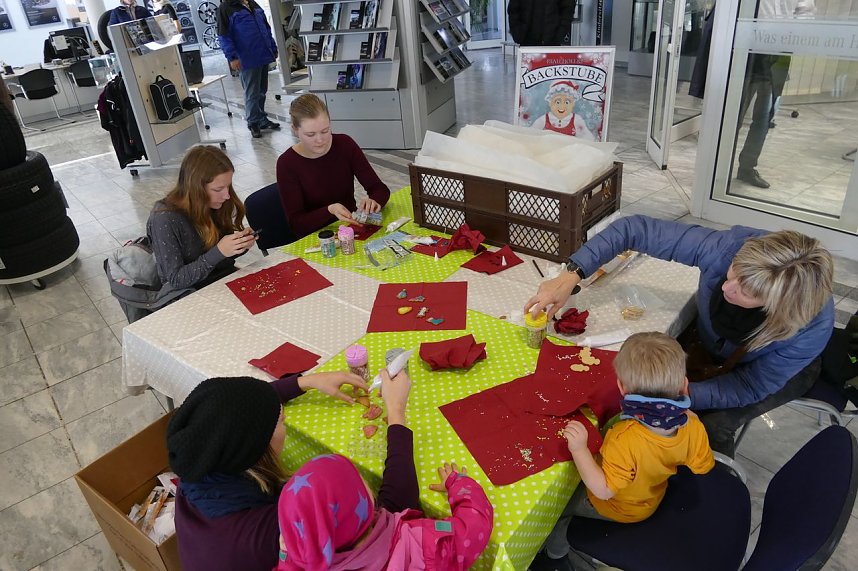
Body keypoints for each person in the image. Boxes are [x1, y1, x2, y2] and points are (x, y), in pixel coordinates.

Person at [524, 215, 834, 457]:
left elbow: (750, 385)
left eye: (746, 291)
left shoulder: (808, 328)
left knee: (711, 428)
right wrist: (571, 274)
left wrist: (680, 395)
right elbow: (634, 230)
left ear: (778, 307)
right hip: (712, 348)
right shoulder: (726, 248)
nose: (727, 287)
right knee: (638, 375)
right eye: (734, 271)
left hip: (770, 375)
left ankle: (702, 492)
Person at [276, 372, 494, 570]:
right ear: (369, 501)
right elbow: (474, 527)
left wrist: (289, 555)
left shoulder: (305, 559)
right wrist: (460, 483)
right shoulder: (421, 547)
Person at [539, 332, 714, 567]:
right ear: (684, 385)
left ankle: (554, 556)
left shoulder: (623, 438)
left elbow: (603, 490)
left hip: (620, 508)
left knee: (559, 504)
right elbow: (702, 467)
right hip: (651, 496)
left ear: (621, 388)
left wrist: (579, 450)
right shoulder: (693, 424)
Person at [166, 371, 371, 571]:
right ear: (260, 447)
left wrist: (306, 382)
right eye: (281, 420)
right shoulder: (273, 531)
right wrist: (391, 416)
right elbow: (375, 531)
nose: (284, 417)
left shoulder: (198, 460)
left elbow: (241, 411)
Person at [276, 94, 390, 238]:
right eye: (310, 134)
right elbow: (297, 224)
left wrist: (374, 201)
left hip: (349, 229)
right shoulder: (287, 163)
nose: (320, 140)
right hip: (315, 236)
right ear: (295, 130)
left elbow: (379, 188)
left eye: (325, 131)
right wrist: (329, 210)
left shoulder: (345, 145)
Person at [147, 146, 257, 291]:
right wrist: (219, 252)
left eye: (228, 186)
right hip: (191, 293)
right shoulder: (164, 219)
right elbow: (174, 280)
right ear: (195, 188)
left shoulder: (215, 204)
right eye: (218, 189)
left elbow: (220, 261)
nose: (227, 195)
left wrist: (238, 246)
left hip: (223, 282)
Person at [217, 0, 280, 139]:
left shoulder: (253, 3)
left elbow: (266, 28)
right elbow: (224, 36)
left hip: (262, 54)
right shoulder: (226, 8)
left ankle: (262, 119)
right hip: (246, 58)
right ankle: (253, 123)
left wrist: (272, 47)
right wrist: (232, 57)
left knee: (262, 90)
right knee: (252, 92)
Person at [529, 80, 594, 140]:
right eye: (557, 102)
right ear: (550, 103)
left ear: (573, 104)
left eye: (567, 102)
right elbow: (531, 134)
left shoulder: (576, 120)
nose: (562, 106)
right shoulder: (543, 120)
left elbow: (586, 137)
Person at [507, 0, 575, 46]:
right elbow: (513, 10)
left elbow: (568, 10)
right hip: (526, 40)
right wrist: (517, 33)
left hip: (552, 41)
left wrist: (560, 34)